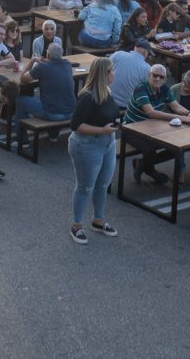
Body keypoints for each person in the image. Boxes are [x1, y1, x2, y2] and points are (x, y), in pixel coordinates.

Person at [67, 57, 120, 244]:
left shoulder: (107, 90)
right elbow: (76, 125)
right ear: (104, 74)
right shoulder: (88, 96)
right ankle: (76, 226)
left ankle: (98, 220)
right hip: (87, 145)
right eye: (112, 70)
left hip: (107, 143)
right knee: (84, 187)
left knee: (103, 184)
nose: (114, 73)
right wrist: (102, 130)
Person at [124, 64, 190, 183]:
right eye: (155, 75)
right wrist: (179, 117)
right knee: (149, 150)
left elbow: (175, 106)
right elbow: (151, 113)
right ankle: (150, 170)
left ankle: (142, 164)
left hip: (153, 128)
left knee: (176, 147)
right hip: (132, 130)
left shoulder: (164, 88)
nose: (158, 79)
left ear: (165, 79)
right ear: (149, 75)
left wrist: (188, 113)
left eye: (161, 77)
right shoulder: (141, 89)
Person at [15, 42, 76, 145]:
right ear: (61, 54)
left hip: (53, 114)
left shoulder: (42, 67)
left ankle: (22, 141)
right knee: (56, 99)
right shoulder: (67, 64)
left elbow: (23, 79)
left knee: (20, 100)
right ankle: (53, 135)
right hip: (71, 112)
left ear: (48, 54)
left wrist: (33, 60)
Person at [110, 39, 152, 108]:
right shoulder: (147, 68)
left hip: (108, 101)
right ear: (145, 53)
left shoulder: (118, 54)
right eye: (148, 54)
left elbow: (103, 69)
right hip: (126, 106)